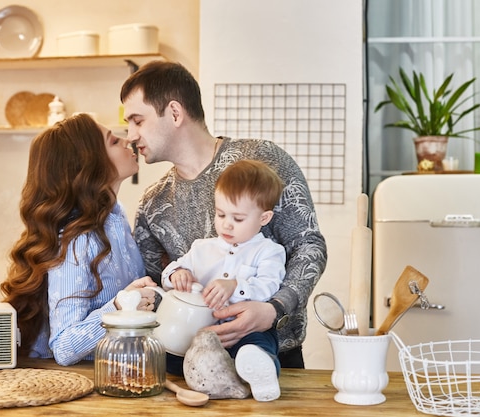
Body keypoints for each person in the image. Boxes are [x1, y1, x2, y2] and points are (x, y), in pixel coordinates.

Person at [120, 61, 328, 370]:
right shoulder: (152, 203)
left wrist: (274, 308)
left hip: (271, 359)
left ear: (175, 113)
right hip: (189, 367)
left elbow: (309, 246)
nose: (130, 135)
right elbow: (153, 289)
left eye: (138, 120)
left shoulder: (263, 160)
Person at [0, 113, 157, 366]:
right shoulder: (78, 241)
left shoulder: (117, 218)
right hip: (67, 386)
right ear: (91, 165)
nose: (127, 138)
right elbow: (64, 345)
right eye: (113, 141)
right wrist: (119, 307)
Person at [162, 159, 285, 401]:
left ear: (264, 217)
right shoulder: (201, 249)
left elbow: (268, 287)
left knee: (258, 346)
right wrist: (178, 274)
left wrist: (235, 285)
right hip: (201, 333)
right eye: (221, 214)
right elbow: (168, 274)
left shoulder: (269, 251)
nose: (227, 224)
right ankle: (203, 377)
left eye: (238, 218)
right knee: (171, 354)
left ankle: (261, 372)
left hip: (246, 332)